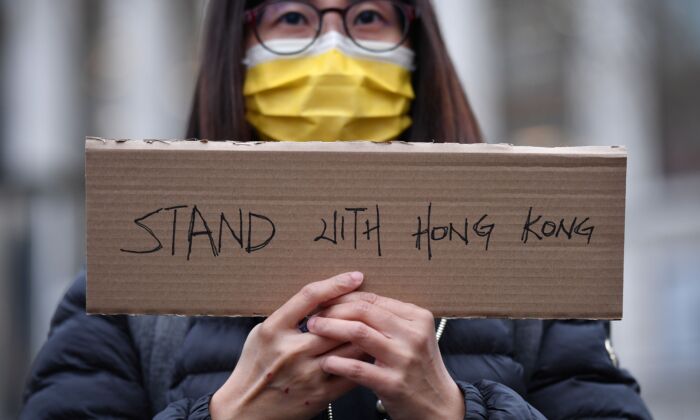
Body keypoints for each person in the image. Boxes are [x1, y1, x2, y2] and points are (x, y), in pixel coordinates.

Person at [21, 1, 652, 419]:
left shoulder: (534, 273)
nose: (333, 49)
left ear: (419, 47)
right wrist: (228, 412)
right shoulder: (126, 288)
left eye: (370, 15)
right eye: (291, 16)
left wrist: (453, 410)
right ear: (234, 48)